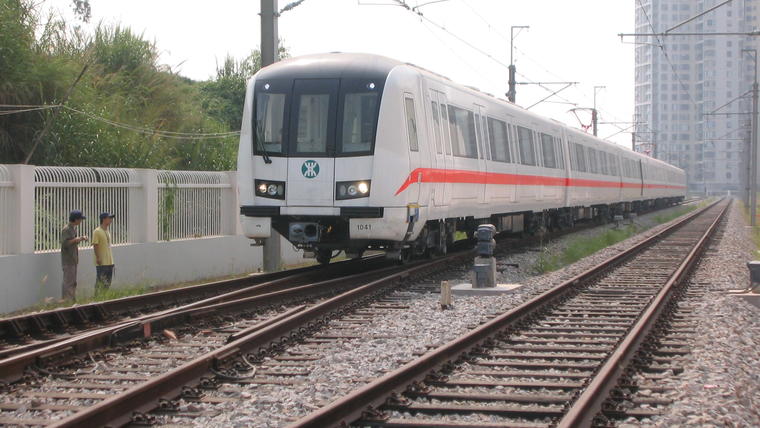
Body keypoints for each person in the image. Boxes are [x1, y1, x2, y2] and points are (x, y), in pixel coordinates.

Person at [59, 210, 88, 301]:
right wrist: (77, 239)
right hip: (68, 260)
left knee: (73, 282)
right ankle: (66, 300)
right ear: (75, 219)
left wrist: (79, 239)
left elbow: (72, 243)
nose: (81, 221)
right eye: (80, 219)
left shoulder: (72, 229)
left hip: (73, 259)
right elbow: (65, 244)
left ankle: (71, 300)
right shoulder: (66, 229)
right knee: (68, 282)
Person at [92, 212, 116, 292]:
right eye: (109, 218)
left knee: (107, 283)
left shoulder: (107, 231)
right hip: (102, 262)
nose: (111, 220)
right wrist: (98, 258)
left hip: (109, 262)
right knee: (100, 282)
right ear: (104, 219)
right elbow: (95, 245)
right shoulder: (97, 231)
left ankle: (105, 298)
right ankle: (97, 298)